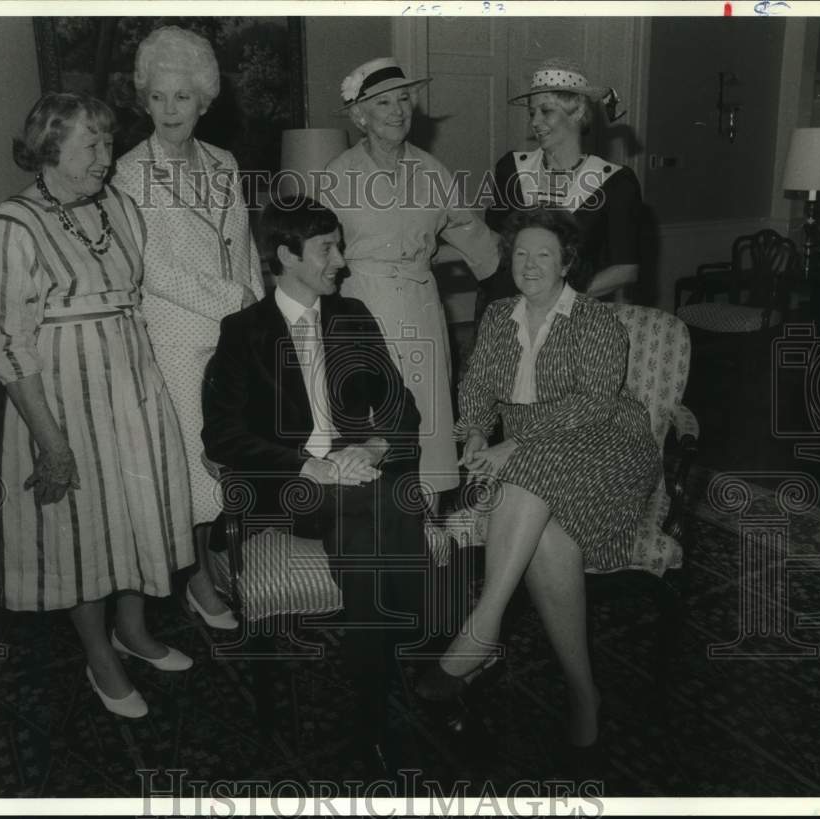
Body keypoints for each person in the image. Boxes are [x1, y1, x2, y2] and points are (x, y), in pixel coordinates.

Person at [0, 92, 195, 720]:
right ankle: (100, 655)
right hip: (62, 398)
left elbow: (138, 297)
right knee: (81, 529)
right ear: (50, 148)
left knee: (140, 509)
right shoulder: (12, 226)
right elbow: (4, 346)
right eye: (91, 145)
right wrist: (52, 441)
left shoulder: (122, 208)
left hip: (133, 383)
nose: (107, 156)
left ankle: (134, 630)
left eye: (107, 141)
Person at [416, 208, 660, 753]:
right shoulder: (500, 314)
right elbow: (477, 384)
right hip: (532, 455)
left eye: (543, 254)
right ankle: (583, 692)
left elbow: (597, 403)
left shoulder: (595, 320)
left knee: (528, 469)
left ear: (567, 262)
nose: (529, 264)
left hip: (607, 443)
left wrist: (513, 445)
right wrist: (477, 433)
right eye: (520, 253)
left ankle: (482, 627)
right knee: (547, 536)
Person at [200, 196, 424, 772]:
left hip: (358, 479)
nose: (342, 261)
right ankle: (414, 672)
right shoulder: (243, 333)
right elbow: (221, 437)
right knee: (386, 508)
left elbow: (401, 407)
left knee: (374, 513)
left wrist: (371, 446)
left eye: (339, 245)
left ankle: (374, 700)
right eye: (327, 248)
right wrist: (310, 464)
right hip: (288, 490)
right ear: (286, 254)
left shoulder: (352, 318)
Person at [114, 26, 265, 630]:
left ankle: (207, 567)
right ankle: (198, 579)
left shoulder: (223, 162)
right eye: (159, 97)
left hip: (232, 333)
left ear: (205, 100)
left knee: (230, 451)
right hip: (175, 337)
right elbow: (147, 267)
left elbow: (243, 242)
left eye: (184, 97)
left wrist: (258, 315)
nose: (171, 110)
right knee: (196, 468)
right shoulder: (128, 173)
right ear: (145, 99)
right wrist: (237, 299)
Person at [322, 57, 500, 512]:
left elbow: (475, 239)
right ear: (360, 116)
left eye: (403, 99)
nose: (398, 110)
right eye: (383, 102)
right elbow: (319, 250)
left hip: (421, 308)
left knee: (427, 420)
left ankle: (431, 535)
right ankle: (377, 530)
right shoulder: (338, 175)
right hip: (361, 308)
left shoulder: (432, 171)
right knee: (372, 420)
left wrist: (537, 262)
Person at [479, 58, 642, 313]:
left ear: (577, 112)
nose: (535, 121)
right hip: (508, 310)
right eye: (532, 112)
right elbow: (492, 243)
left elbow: (626, 269)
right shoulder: (511, 168)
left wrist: (560, 300)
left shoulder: (616, 183)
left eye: (546, 111)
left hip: (571, 316)